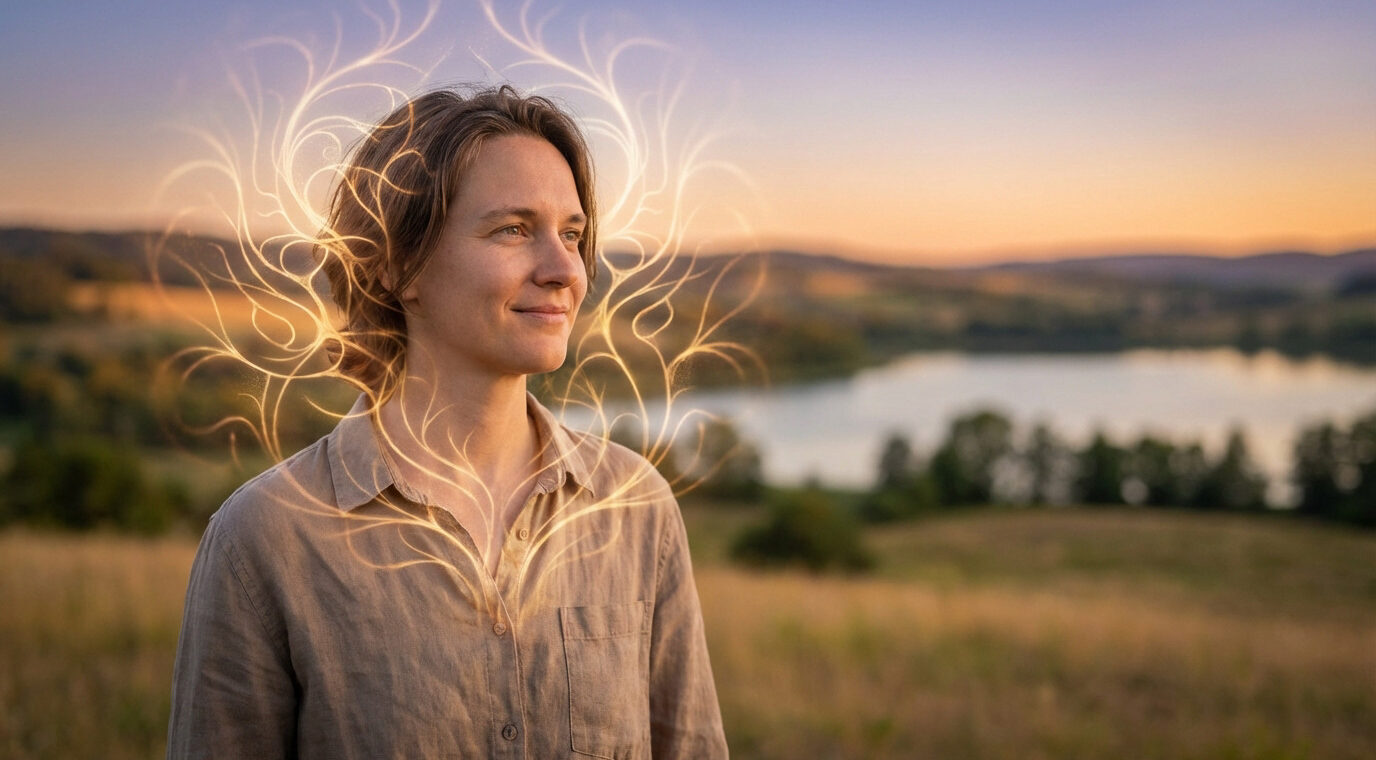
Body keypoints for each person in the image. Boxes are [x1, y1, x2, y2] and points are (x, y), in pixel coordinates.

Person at [166, 86, 728, 759]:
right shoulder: (268, 538)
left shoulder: (635, 509)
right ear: (397, 265)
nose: (564, 270)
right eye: (514, 229)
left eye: (573, 235)